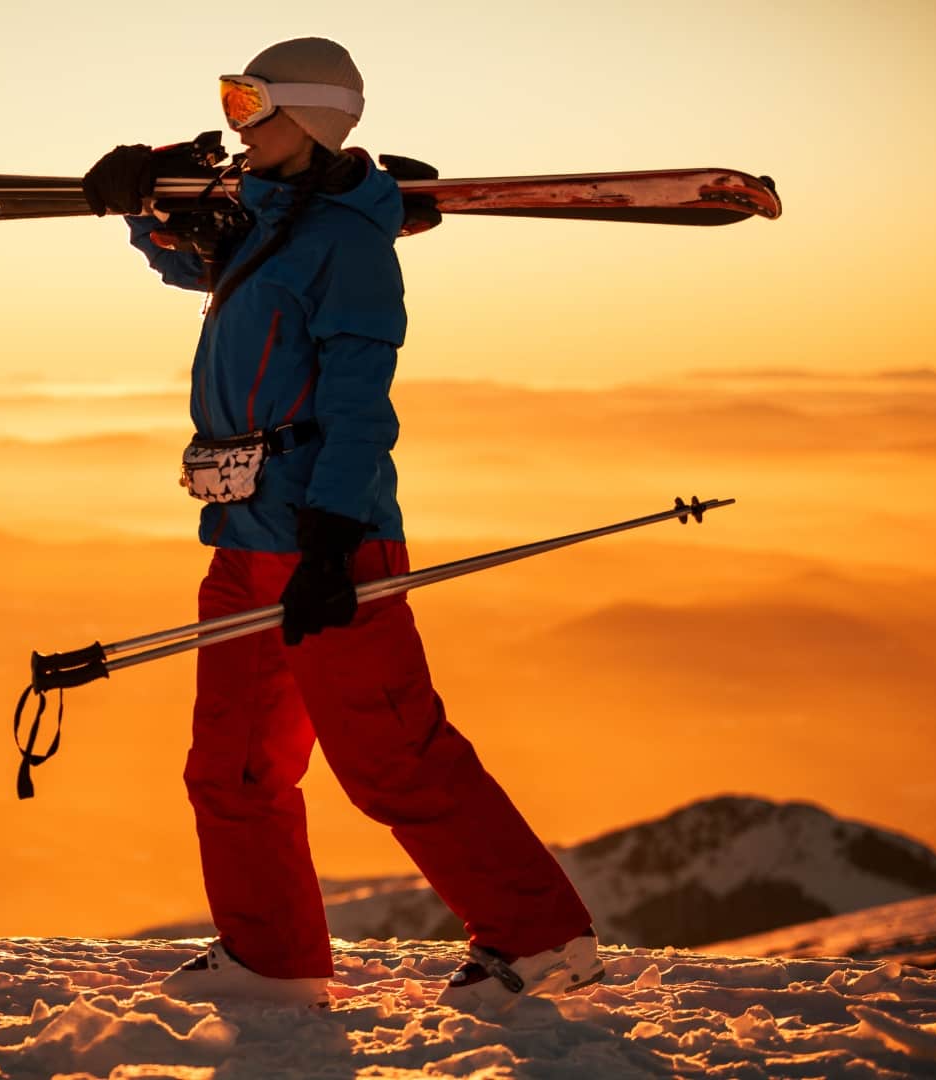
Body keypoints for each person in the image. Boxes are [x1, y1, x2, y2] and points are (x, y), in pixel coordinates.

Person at [82, 37, 601, 1012]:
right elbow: (203, 270)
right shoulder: (265, 224)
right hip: (244, 538)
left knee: (392, 759)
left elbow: (362, 398)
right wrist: (145, 205)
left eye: (250, 102)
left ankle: (543, 942)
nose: (234, 120)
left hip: (332, 541)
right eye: (228, 101)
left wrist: (330, 538)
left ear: (309, 117)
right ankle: (271, 957)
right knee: (232, 764)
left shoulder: (349, 246)